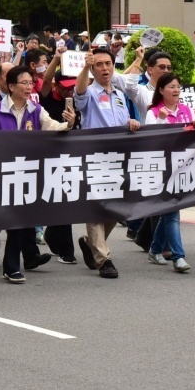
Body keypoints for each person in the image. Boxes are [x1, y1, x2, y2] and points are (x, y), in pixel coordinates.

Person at [0, 65, 73, 282]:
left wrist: (68, 122)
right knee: (12, 221)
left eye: (31, 83)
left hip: (28, 174)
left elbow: (53, 127)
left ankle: (12, 266)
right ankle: (10, 264)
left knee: (21, 221)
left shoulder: (36, 110)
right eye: (24, 83)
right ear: (11, 86)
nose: (29, 87)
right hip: (3, 174)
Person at [74, 48, 141, 279]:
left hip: (118, 160)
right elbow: (79, 91)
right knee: (95, 208)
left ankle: (90, 244)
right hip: (93, 159)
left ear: (114, 66)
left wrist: (131, 122)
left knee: (115, 209)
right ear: (93, 68)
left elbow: (122, 123)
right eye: (99, 64)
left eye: (108, 64)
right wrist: (84, 67)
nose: (105, 68)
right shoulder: (89, 93)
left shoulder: (121, 96)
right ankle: (104, 259)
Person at [141, 71, 194, 273]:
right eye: (171, 87)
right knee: (172, 212)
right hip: (162, 168)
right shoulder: (153, 112)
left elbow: (191, 137)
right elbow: (151, 140)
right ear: (161, 90)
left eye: (178, 86)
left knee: (168, 211)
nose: (176, 90)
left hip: (182, 166)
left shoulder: (186, 110)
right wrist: (162, 120)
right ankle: (178, 257)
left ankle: (155, 249)